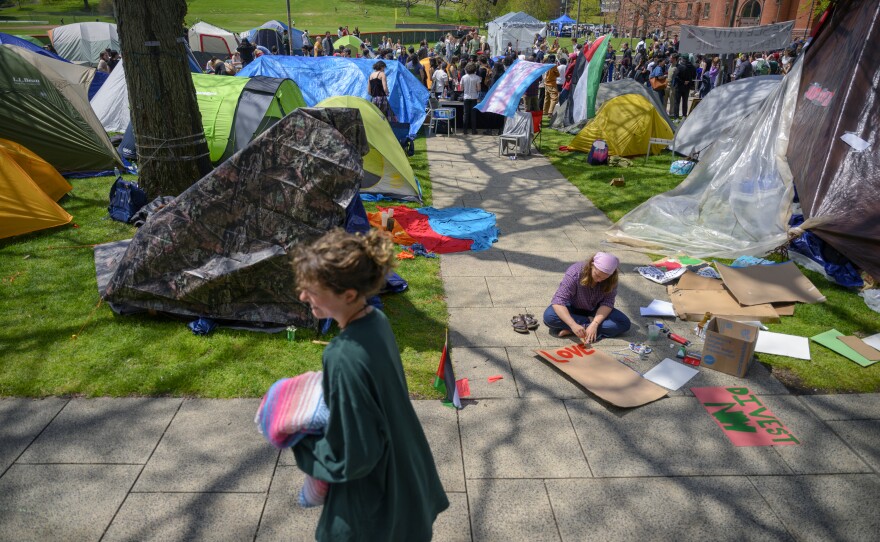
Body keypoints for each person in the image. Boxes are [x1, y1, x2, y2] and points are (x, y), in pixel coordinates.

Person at [291, 229, 449, 542]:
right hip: (408, 475)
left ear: (348, 295)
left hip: (376, 504)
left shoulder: (341, 354)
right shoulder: (376, 321)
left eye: (312, 290)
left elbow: (354, 455)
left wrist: (297, 439)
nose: (303, 297)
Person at [543, 252, 631, 342]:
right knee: (549, 316)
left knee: (624, 323)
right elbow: (558, 301)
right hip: (572, 307)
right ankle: (582, 329)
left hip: (596, 309)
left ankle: (579, 330)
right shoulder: (575, 272)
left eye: (604, 278)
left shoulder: (612, 279)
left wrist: (595, 324)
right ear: (592, 265)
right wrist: (573, 324)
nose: (600, 280)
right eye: (597, 275)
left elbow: (608, 303)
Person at [461, 62, 481, 135]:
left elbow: (461, 88)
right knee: (473, 114)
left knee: (465, 114)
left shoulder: (463, 77)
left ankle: (465, 130)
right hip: (474, 97)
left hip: (466, 97)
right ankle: (473, 130)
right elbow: (479, 89)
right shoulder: (477, 77)